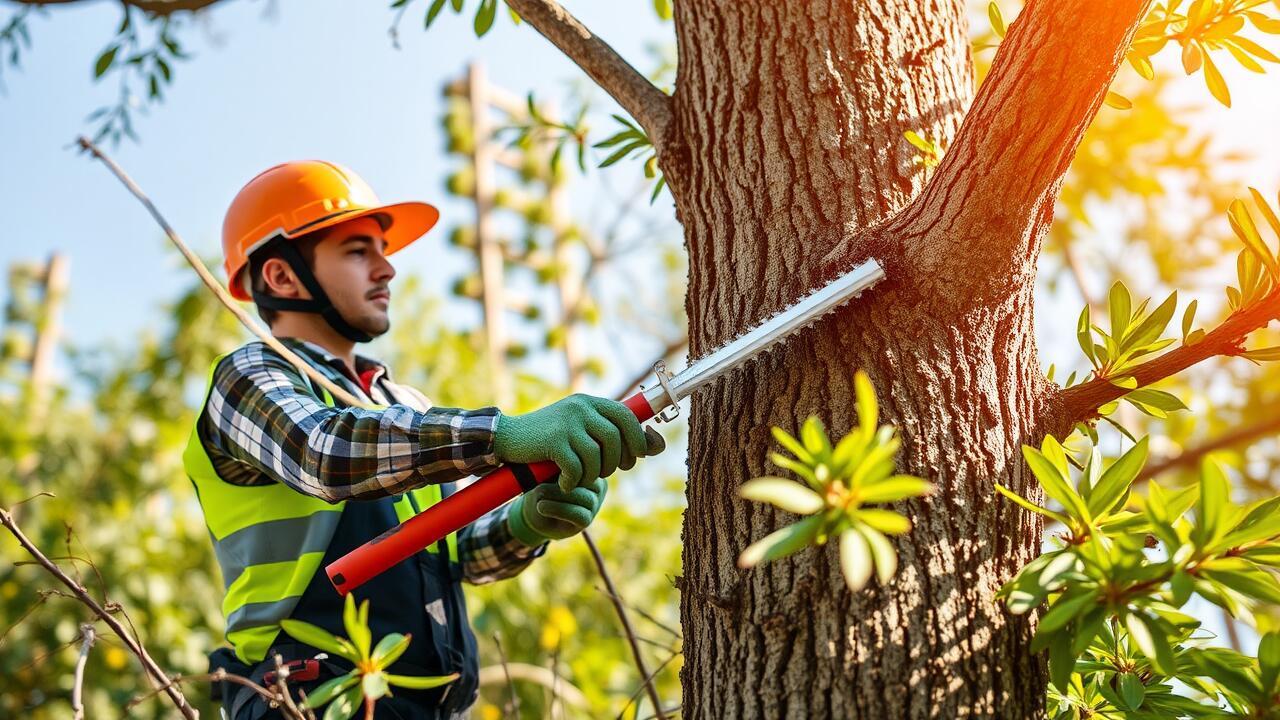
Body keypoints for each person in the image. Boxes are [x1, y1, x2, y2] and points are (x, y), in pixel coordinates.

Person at [186, 160, 662, 719]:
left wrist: (527, 523)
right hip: (306, 698)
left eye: (381, 251)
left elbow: (453, 554)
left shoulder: (400, 404)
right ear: (282, 277)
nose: (387, 269)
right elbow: (323, 454)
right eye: (357, 251)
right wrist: (504, 434)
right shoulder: (248, 376)